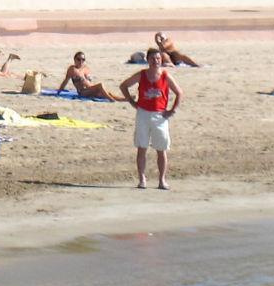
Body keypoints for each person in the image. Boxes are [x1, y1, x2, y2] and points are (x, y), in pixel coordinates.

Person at [119, 47, 182, 189]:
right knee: (142, 147)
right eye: (153, 59)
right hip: (143, 114)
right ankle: (142, 179)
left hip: (160, 116)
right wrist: (132, 102)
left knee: (161, 149)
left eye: (158, 58)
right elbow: (123, 86)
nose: (156, 61)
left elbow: (179, 92)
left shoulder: (165, 75)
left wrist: (172, 110)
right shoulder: (141, 74)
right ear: (147, 60)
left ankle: (162, 180)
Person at [58, 52, 123, 101]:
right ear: (74, 59)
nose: (81, 61)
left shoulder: (85, 68)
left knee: (108, 93)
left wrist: (94, 88)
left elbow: (89, 82)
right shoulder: (72, 69)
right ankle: (111, 100)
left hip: (90, 89)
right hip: (82, 92)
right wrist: (60, 90)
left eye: (83, 59)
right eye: (79, 59)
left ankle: (124, 99)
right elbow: (66, 80)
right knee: (100, 85)